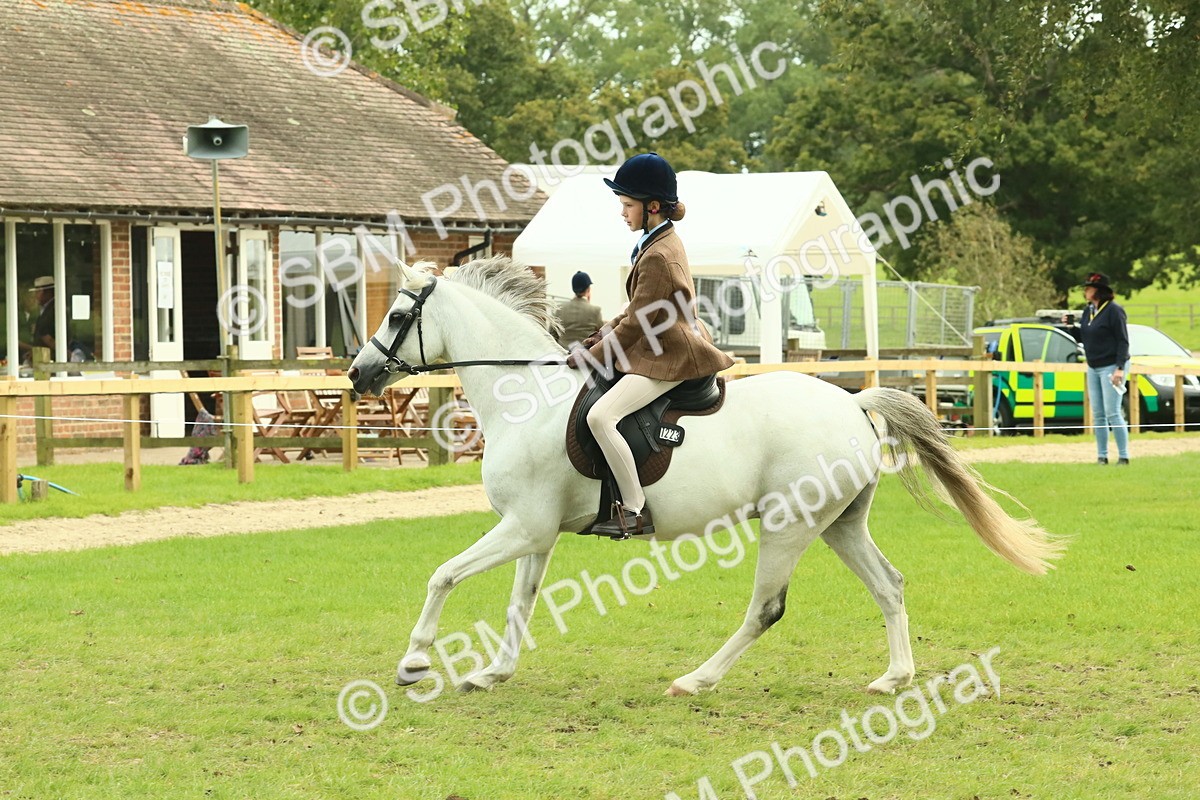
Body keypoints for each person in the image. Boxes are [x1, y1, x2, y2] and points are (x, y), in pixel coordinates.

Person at [568, 153, 734, 536]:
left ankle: (634, 508)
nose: (622, 212)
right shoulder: (655, 241)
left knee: (600, 417)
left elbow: (634, 327)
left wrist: (591, 357)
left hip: (671, 355)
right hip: (659, 343)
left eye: (628, 205)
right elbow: (632, 312)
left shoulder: (658, 255)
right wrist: (594, 339)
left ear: (652, 207)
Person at [1077, 272, 1130, 465]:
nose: (1085, 291)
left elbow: (1123, 341)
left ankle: (1124, 455)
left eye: (1089, 288)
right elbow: (1084, 336)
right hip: (1093, 366)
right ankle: (1102, 456)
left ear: (1098, 291)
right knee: (1098, 413)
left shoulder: (1114, 311)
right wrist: (1070, 328)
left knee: (1112, 411)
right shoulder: (1088, 310)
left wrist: (1120, 368)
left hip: (1111, 366)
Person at [556, 271, 604, 349]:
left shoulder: (560, 309)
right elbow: (602, 334)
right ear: (588, 289)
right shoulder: (595, 310)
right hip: (585, 355)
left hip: (562, 354)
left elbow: (552, 334)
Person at [19, 276, 56, 362]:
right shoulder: (45, 309)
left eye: (37, 292)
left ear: (44, 292)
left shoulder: (54, 309)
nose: (36, 296)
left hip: (49, 359)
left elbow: (47, 337)